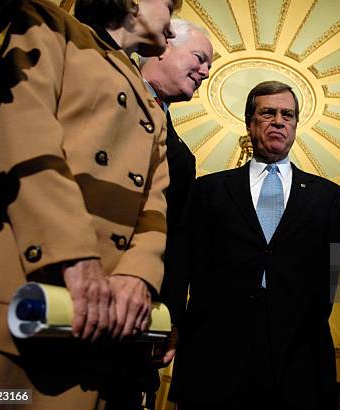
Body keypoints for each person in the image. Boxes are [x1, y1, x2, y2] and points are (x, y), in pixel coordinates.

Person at [0, 0, 178, 407]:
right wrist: (75, 255)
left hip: (89, 324)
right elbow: (23, 133)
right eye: (169, 5)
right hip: (13, 295)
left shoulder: (154, 108)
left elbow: (154, 205)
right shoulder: (50, 23)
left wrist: (138, 277)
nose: (171, 27)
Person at [170, 80, 340, 410]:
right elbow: (183, 264)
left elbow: (327, 282)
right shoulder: (208, 190)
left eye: (288, 115)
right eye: (268, 113)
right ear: (250, 122)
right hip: (215, 354)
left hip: (297, 361)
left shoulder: (327, 196)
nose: (279, 121)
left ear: (295, 125)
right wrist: (174, 321)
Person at [139, 20, 212, 331]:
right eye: (200, 58)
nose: (206, 73)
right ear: (163, 47)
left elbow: (177, 243)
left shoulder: (182, 159)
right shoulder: (91, 79)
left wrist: (169, 317)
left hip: (139, 314)